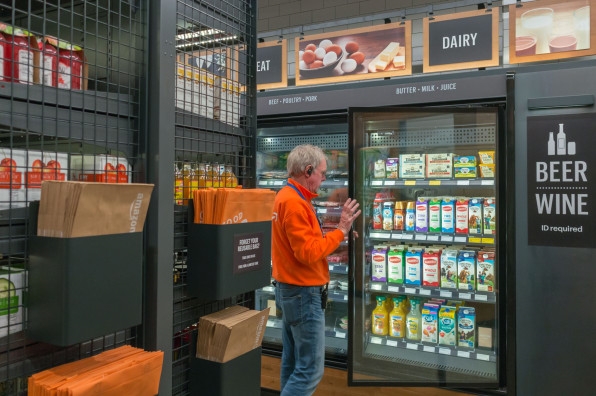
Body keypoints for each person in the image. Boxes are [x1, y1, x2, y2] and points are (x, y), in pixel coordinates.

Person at [271, 144, 361, 396]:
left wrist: (337, 236)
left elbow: (304, 244)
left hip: (290, 291)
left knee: (293, 364)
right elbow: (308, 253)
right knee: (310, 370)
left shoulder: (286, 197)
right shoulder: (295, 204)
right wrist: (341, 229)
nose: (324, 178)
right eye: (322, 172)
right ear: (307, 170)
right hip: (303, 294)